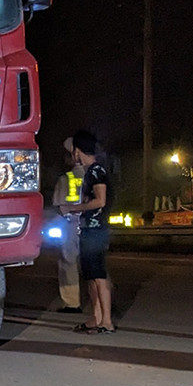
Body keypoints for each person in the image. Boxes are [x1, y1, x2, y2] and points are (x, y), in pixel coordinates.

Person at [59, 131, 114, 333]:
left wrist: (75, 208)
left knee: (98, 275)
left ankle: (106, 321)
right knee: (90, 275)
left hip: (96, 228)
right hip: (89, 228)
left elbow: (101, 200)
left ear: (77, 150)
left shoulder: (96, 171)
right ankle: (96, 317)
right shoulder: (90, 171)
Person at [50, 138, 85, 313]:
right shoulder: (95, 176)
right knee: (95, 265)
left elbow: (59, 206)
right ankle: (102, 303)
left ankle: (72, 302)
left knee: (68, 263)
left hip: (71, 224)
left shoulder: (66, 179)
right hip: (92, 225)